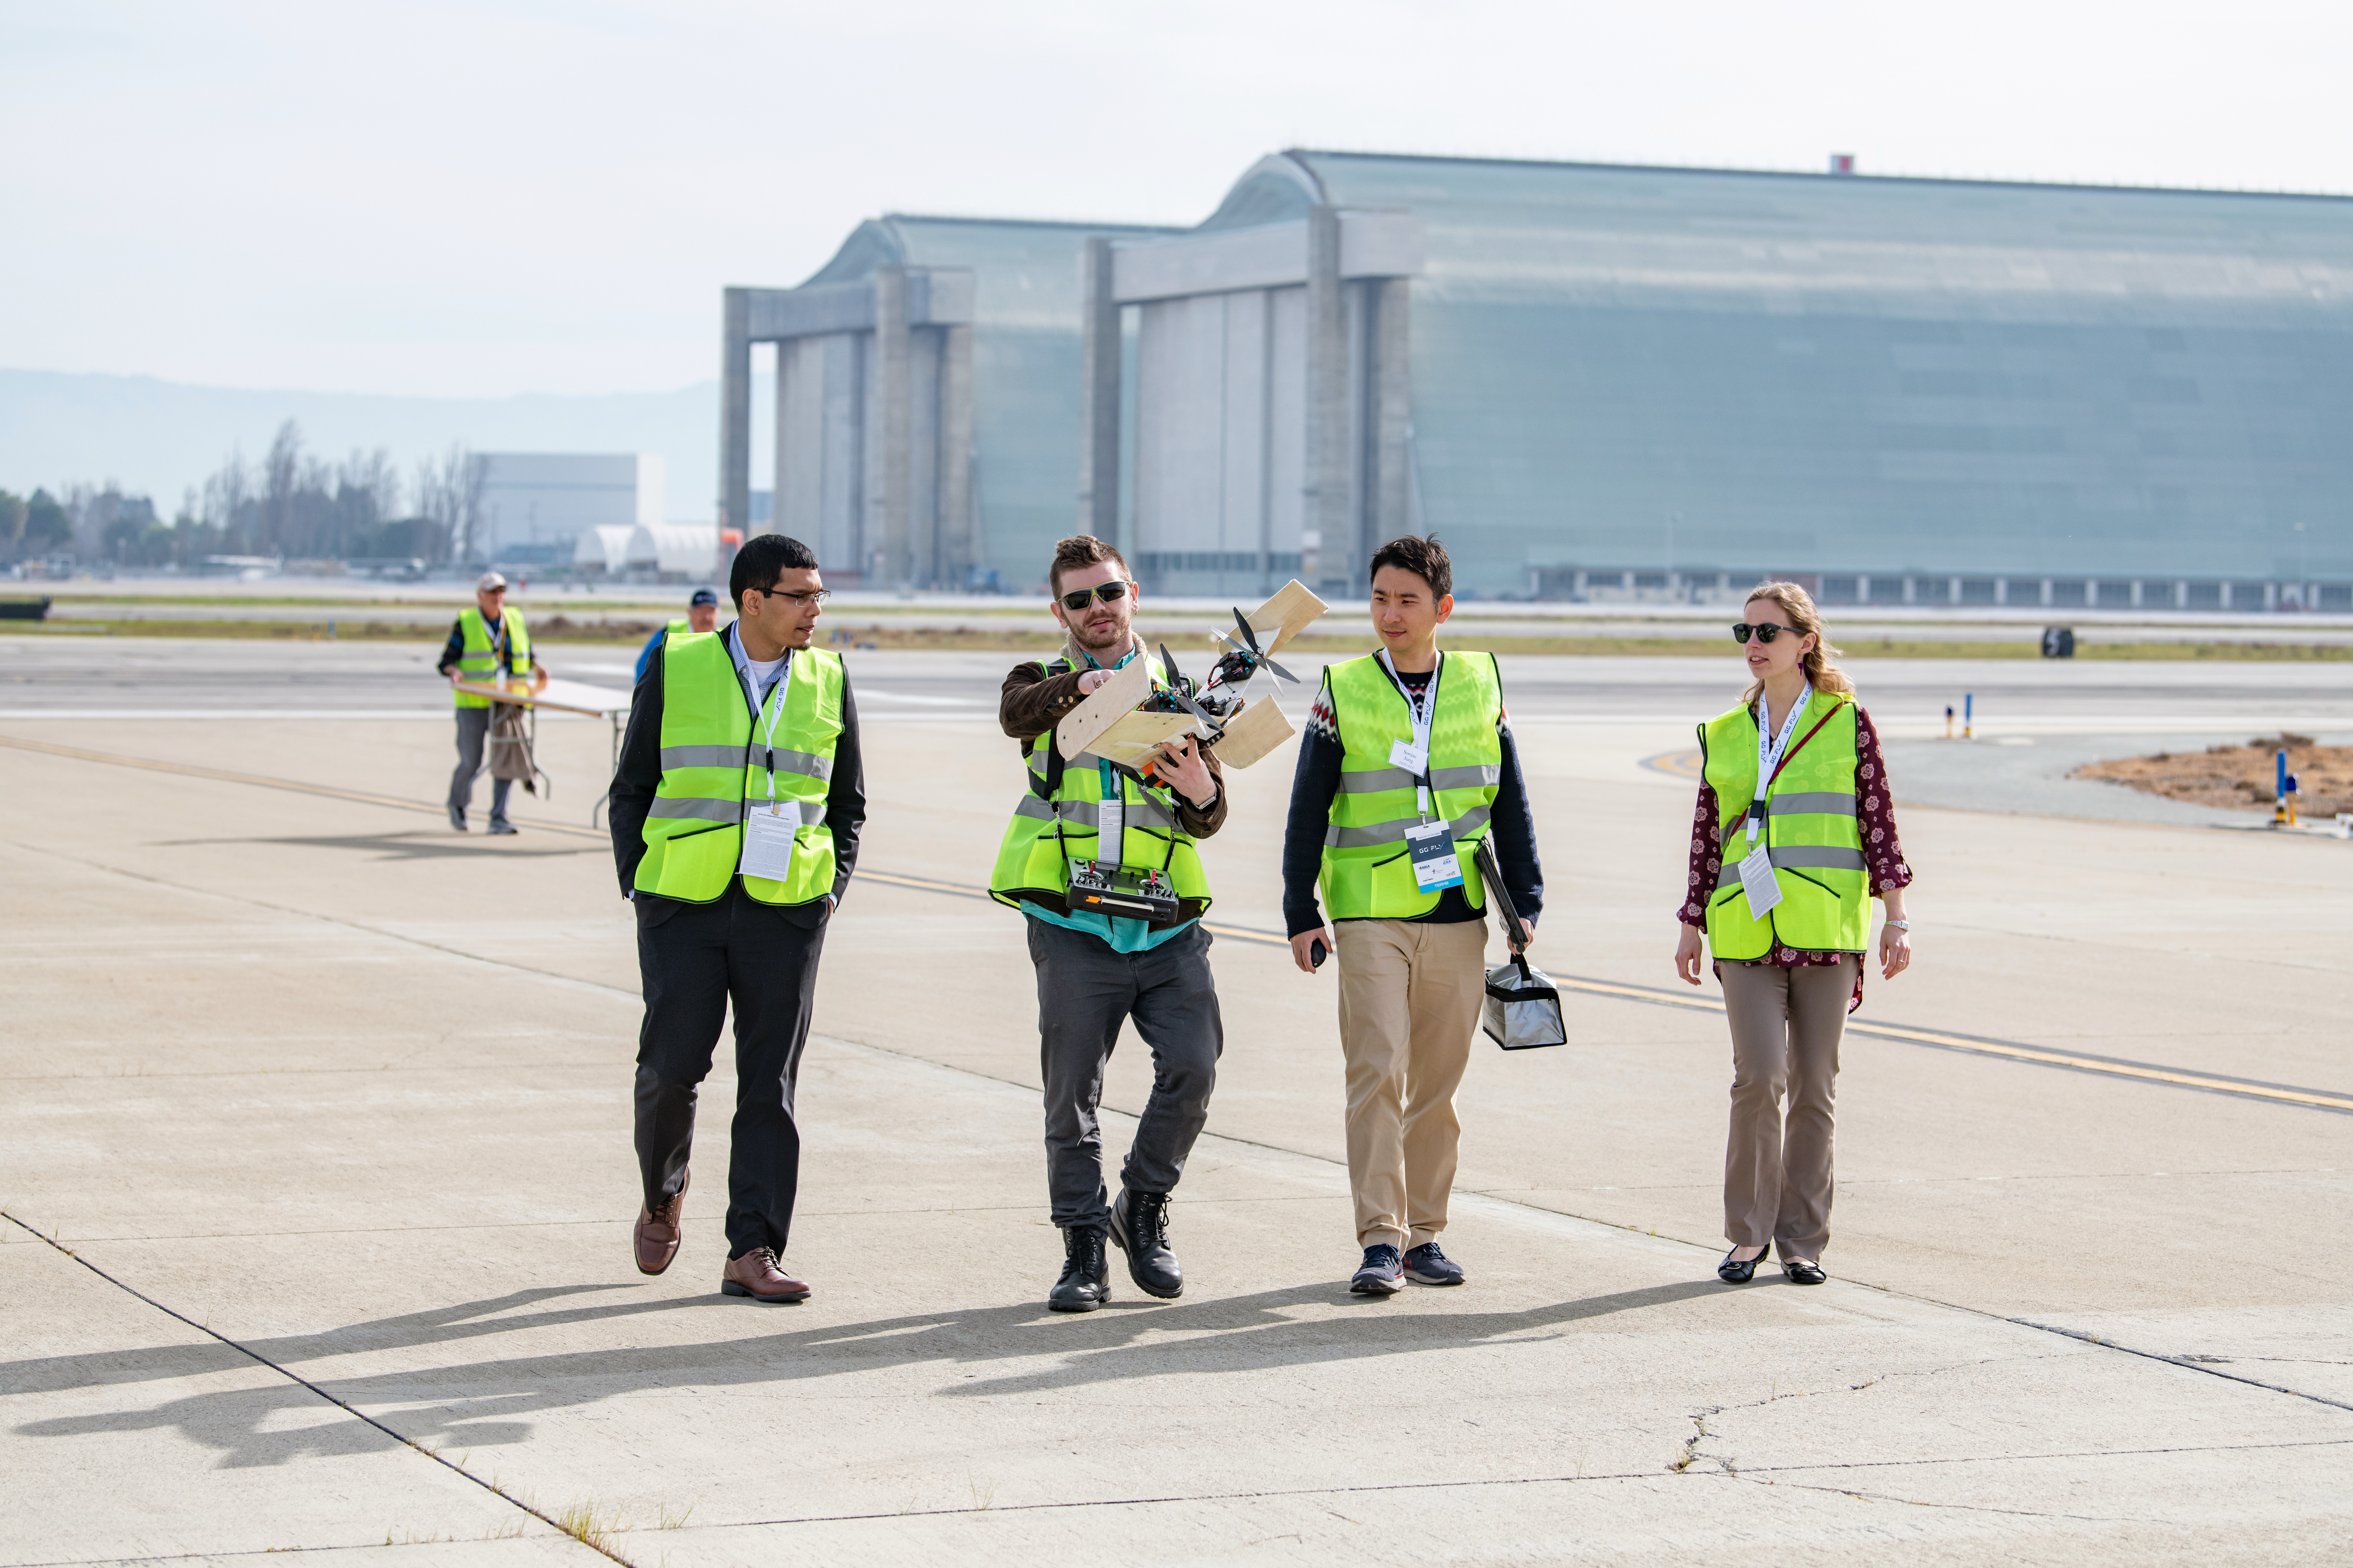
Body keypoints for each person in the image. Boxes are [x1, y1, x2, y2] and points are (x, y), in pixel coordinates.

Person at [607, 534, 865, 1304]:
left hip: (786, 909)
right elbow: (632, 787)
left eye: (820, 595)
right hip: (682, 904)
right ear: (753, 599)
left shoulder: (828, 674)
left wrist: (830, 892)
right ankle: (663, 1193)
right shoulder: (679, 665)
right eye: (800, 596)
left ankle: (752, 1246)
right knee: (668, 1071)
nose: (815, 610)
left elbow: (847, 801)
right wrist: (639, 887)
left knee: (770, 1084)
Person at [1283, 535, 1544, 1296]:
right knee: (1376, 1068)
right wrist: (1302, 907)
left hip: (1458, 909)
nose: (1390, 615)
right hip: (1368, 908)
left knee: (1437, 1083)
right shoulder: (1344, 687)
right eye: (1379, 599)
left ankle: (1425, 1234)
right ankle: (1378, 1239)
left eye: (1407, 601)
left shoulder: (1481, 680)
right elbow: (1308, 807)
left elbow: (1511, 803)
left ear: (1443, 609)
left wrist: (1524, 903)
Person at [990, 534, 1228, 1312]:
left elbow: (1211, 815)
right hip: (1075, 920)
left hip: (1164, 921)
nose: (1097, 609)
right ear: (1058, 608)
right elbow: (1014, 714)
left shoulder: (1180, 689)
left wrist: (1199, 788)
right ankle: (1084, 1245)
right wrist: (1088, 687)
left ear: (1133, 594)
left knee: (1193, 1067)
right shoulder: (1043, 682)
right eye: (1079, 598)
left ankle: (1143, 1206)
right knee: (1073, 1093)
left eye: (1109, 593)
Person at [1672, 581, 1914, 1288]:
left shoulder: (1847, 722)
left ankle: (1802, 1241)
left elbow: (1879, 825)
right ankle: (1746, 1235)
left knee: (1814, 1086)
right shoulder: (1725, 732)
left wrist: (1897, 917)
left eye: (1768, 633)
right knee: (1759, 1078)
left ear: (1804, 643)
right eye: (1744, 633)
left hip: (1826, 929)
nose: (1753, 645)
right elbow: (1704, 838)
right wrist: (1691, 923)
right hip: (1744, 930)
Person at [438, 571, 544, 834]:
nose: (498, 597)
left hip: (507, 703)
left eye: (501, 592)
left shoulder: (515, 619)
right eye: (492, 592)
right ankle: (458, 804)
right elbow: (446, 661)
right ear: (480, 596)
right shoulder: (467, 622)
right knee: (471, 761)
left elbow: (527, 653)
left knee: (506, 758)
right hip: (473, 702)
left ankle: (499, 818)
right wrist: (454, 671)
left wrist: (537, 667)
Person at [636, 587, 721, 683]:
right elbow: (644, 666)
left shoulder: (725, 639)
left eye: (711, 612)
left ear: (718, 613)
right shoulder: (669, 632)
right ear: (690, 612)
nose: (706, 617)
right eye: (701, 612)